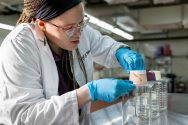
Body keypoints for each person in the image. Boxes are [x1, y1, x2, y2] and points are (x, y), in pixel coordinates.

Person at [0, 0, 145, 125]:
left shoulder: (79, 29)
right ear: (42, 25)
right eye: (68, 28)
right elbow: (25, 117)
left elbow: (104, 46)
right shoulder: (19, 46)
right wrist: (87, 93)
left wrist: (120, 52)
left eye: (82, 23)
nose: (78, 32)